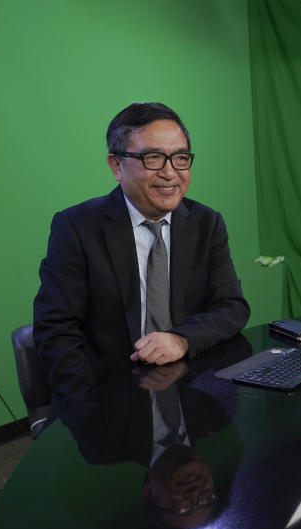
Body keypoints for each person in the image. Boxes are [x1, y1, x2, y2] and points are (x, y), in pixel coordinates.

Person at [34, 102, 250, 425]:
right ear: (116, 165)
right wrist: (92, 411)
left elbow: (232, 306)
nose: (169, 172)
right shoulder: (77, 228)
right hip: (106, 400)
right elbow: (57, 333)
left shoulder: (207, 224)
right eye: (152, 158)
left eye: (180, 158)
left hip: (186, 388)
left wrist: (181, 339)